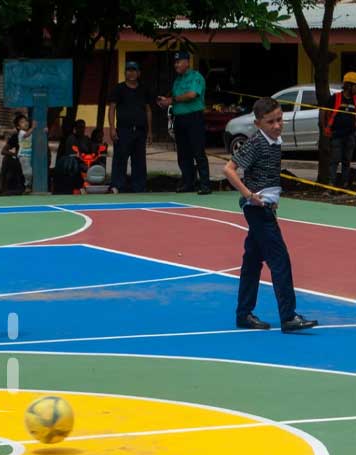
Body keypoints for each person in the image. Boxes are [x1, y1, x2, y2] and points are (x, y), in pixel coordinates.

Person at [223, 97, 318, 333]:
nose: (277, 125)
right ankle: (288, 316)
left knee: (252, 261)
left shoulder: (275, 141)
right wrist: (249, 195)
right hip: (257, 209)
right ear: (258, 124)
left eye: (279, 120)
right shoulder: (256, 143)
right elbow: (229, 169)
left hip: (265, 207)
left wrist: (272, 200)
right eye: (270, 122)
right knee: (280, 260)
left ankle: (244, 314)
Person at [158, 51, 212, 195]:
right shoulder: (177, 80)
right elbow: (176, 98)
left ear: (187, 62)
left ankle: (205, 184)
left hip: (194, 118)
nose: (176, 65)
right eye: (175, 62)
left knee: (198, 151)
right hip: (179, 119)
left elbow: (192, 95)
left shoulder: (196, 77)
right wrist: (166, 101)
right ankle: (188, 183)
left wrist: (172, 100)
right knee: (183, 153)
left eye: (179, 62)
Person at [108, 61, 154, 193]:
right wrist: (112, 128)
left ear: (139, 73)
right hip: (123, 130)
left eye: (134, 70)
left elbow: (148, 110)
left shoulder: (144, 89)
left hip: (140, 131)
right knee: (120, 159)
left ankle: (139, 187)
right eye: (128, 70)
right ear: (125, 73)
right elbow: (112, 109)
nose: (131, 73)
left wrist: (150, 131)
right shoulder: (119, 89)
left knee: (139, 161)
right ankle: (117, 186)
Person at [320, 72, 356, 188]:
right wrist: (325, 127)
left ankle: (344, 185)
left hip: (350, 135)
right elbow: (324, 111)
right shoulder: (336, 97)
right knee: (334, 161)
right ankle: (331, 185)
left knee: (347, 161)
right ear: (348, 86)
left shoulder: (355, 100)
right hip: (336, 135)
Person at [0, 130, 25, 194]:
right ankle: (4, 187)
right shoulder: (16, 136)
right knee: (6, 159)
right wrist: (14, 154)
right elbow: (3, 151)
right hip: (20, 159)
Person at [14, 114, 34, 189]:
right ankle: (27, 185)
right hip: (24, 155)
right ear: (18, 127)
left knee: (30, 171)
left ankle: (29, 184)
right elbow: (26, 135)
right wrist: (33, 127)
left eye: (26, 121)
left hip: (30, 154)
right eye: (22, 122)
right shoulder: (21, 132)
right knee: (27, 172)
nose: (25, 123)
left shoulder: (30, 132)